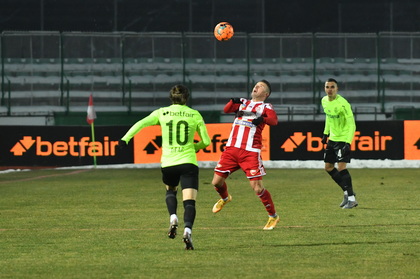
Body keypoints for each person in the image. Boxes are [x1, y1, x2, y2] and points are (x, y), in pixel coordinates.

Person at [119, 84, 210, 250]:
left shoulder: (161, 112)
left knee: (170, 190)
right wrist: (193, 147)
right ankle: (188, 230)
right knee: (189, 203)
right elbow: (206, 142)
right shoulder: (194, 114)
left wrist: (125, 139)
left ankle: (173, 217)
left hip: (168, 163)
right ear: (187, 98)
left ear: (171, 97)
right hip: (188, 162)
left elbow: (141, 123)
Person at [211, 80, 280, 230]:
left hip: (250, 152)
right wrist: (232, 101)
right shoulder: (243, 103)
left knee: (257, 188)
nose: (256, 87)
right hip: (231, 149)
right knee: (216, 182)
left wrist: (262, 119)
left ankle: (273, 216)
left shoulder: (266, 107)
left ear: (266, 94)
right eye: (256, 85)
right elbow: (227, 109)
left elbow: (274, 121)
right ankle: (225, 198)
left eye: (260, 86)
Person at [321, 78, 358, 209]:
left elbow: (352, 124)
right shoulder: (324, 101)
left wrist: (348, 142)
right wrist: (326, 133)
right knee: (328, 167)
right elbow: (328, 117)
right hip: (333, 139)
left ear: (337, 89)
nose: (329, 89)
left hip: (343, 139)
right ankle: (347, 193)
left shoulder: (343, 104)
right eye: (327, 87)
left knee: (342, 168)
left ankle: (352, 199)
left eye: (332, 87)